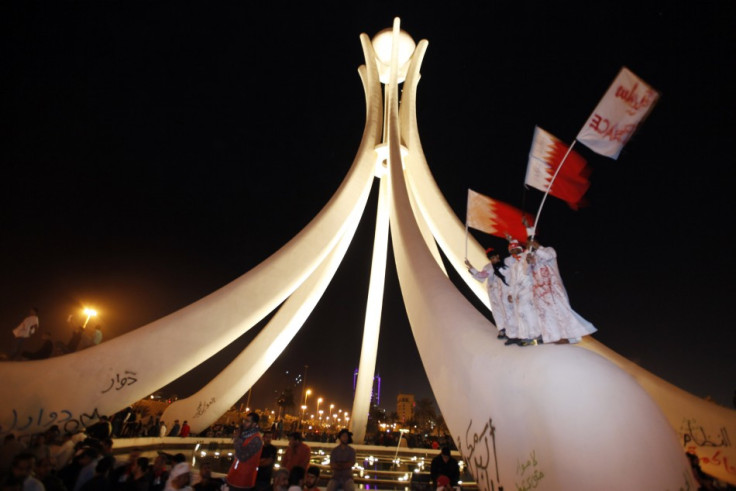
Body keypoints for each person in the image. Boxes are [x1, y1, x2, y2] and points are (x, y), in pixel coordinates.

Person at [526, 239, 597, 344]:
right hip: (540, 293)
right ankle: (553, 337)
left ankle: (565, 336)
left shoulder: (548, 250)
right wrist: (528, 262)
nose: (530, 245)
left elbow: (549, 256)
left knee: (560, 312)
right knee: (546, 316)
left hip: (554, 291)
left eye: (531, 243)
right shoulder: (531, 256)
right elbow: (526, 272)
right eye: (528, 244)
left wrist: (538, 247)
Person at [466, 248, 516, 340]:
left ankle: (512, 331)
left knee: (505, 310)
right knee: (496, 310)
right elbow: (482, 276)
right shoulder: (488, 266)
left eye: (493, 257)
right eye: (490, 258)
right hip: (492, 291)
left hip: (502, 290)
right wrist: (471, 268)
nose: (492, 260)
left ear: (498, 256)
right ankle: (502, 329)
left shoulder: (504, 264)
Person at [225, 412, 263, 491]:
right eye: (244, 420)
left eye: (247, 421)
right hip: (234, 477)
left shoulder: (256, 439)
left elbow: (242, 457)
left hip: (243, 482)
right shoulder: (244, 435)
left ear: (254, 424)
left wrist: (237, 439)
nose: (244, 423)